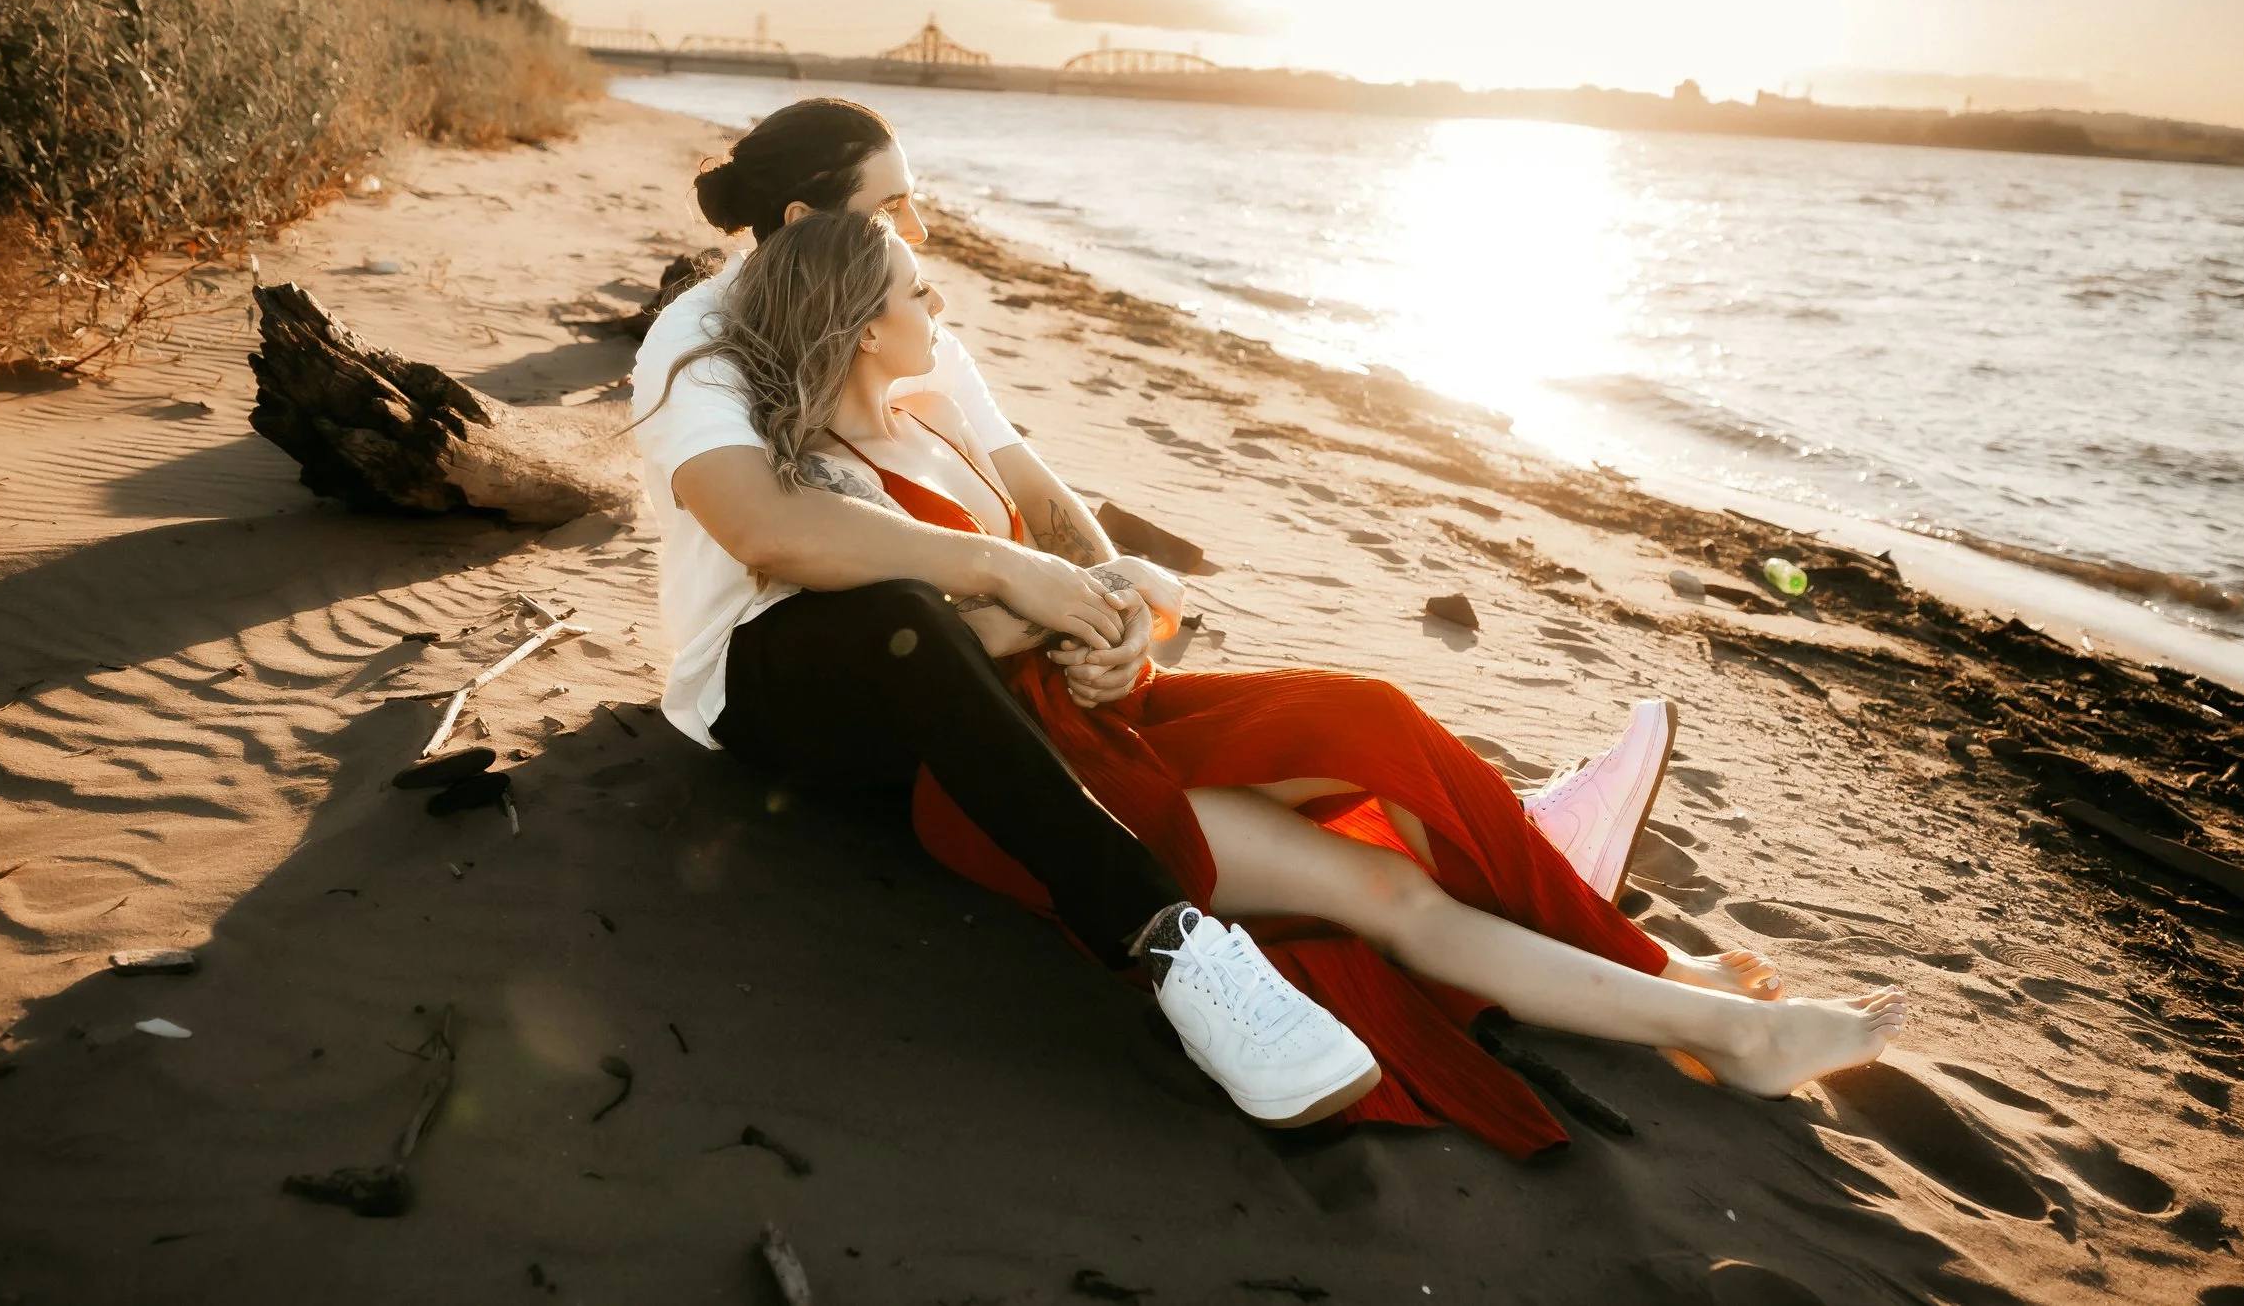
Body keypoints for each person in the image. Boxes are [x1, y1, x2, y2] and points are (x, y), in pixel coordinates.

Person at [653, 202, 1907, 1155]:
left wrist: (1108, 609)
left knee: (1367, 720)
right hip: (1030, 770)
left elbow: (1040, 579)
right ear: (872, 323)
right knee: (1378, 885)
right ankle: (1716, 1023)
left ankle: (1600, 928)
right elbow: (931, 649)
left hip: (1104, 707)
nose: (944, 309)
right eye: (925, 292)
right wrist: (1059, 617)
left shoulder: (924, 422)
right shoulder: (825, 478)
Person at [628, 98, 1380, 1126]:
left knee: (1166, 698)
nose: (922, 230)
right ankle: (1169, 941)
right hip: (775, 690)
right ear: (806, 219)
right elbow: (767, 529)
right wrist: (998, 568)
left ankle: (1472, 837)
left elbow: (1040, 492)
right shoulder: (699, 337)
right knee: (904, 613)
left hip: (964, 671)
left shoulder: (909, 316)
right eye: (895, 204)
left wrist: (1107, 596)